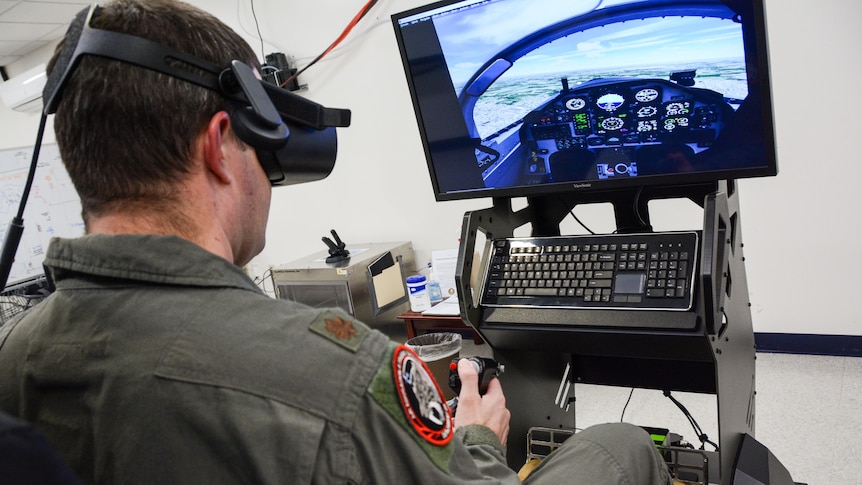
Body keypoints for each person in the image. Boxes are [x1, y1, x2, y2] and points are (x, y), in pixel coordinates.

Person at [0, 0, 673, 483]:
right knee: (619, 444)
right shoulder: (333, 372)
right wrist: (474, 439)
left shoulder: (14, 353)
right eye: (264, 143)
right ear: (220, 146)